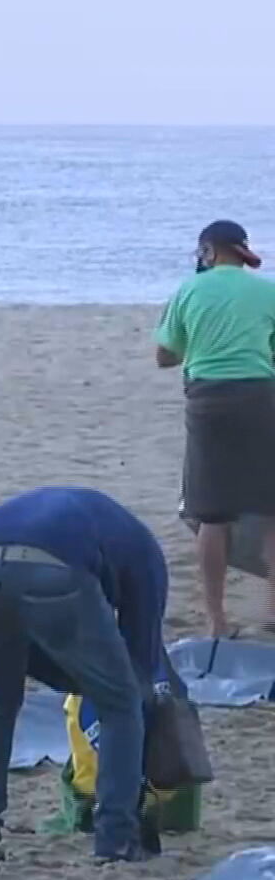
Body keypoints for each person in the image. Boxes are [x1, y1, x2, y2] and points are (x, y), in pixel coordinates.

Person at [0, 486, 167, 864]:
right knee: (121, 704)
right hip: (53, 567)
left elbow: (42, 659)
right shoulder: (149, 559)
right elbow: (141, 665)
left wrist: (78, 677)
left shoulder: (108, 527)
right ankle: (116, 836)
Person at [155, 219, 275, 637]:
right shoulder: (267, 290)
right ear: (241, 252)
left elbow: (164, 356)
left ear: (207, 251)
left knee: (212, 513)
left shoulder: (189, 290)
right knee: (271, 508)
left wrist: (201, 344)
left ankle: (217, 620)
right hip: (262, 398)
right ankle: (273, 610)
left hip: (209, 402)